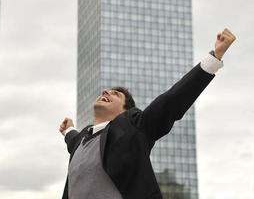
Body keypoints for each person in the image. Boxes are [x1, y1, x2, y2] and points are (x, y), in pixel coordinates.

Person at [59, 29, 236, 199]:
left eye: (116, 94)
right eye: (106, 91)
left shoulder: (133, 127)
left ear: (125, 111)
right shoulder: (80, 140)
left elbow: (171, 102)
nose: (106, 92)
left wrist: (214, 59)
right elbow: (72, 138)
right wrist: (68, 130)